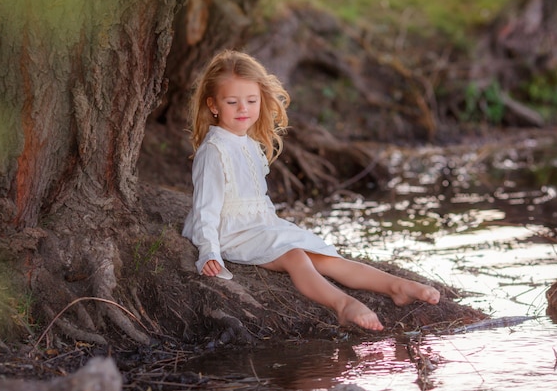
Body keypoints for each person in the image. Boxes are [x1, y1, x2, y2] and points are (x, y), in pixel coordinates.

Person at [182, 49, 440, 331]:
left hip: (259, 225)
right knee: (296, 256)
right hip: (230, 233)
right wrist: (209, 252)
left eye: (251, 101)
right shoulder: (214, 150)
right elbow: (206, 209)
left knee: (323, 256)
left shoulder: (249, 143)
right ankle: (343, 305)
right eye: (232, 102)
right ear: (213, 105)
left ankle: (395, 286)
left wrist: (273, 226)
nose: (243, 109)